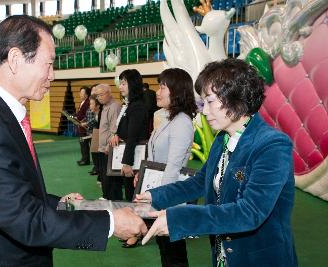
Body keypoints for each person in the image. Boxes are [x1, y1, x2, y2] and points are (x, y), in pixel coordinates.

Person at [0, 15, 147, 267]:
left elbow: (12, 193)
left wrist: (58, 203)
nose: (52, 75)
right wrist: (111, 223)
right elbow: (27, 221)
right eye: (48, 64)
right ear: (15, 59)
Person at [138, 58, 298, 267]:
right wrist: (154, 195)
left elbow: (250, 212)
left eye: (210, 101)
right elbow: (199, 182)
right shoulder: (222, 139)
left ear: (236, 97)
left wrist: (181, 219)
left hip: (259, 258)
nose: (204, 111)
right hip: (225, 254)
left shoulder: (272, 145)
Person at [130, 68, 196, 260]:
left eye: (162, 87)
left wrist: (160, 202)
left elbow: (173, 167)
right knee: (166, 249)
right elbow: (156, 159)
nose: (157, 92)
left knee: (173, 252)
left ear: (176, 91)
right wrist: (142, 177)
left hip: (169, 196)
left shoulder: (182, 122)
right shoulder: (169, 118)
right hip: (160, 191)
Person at [109, 69, 148, 205]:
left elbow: (132, 137)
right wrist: (117, 136)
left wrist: (127, 163)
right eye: (120, 83)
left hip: (135, 161)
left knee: (134, 199)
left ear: (133, 84)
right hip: (131, 157)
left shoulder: (137, 107)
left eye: (124, 83)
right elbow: (126, 131)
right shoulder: (130, 105)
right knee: (130, 197)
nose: (120, 87)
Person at [96, 83, 123, 201]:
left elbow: (115, 130)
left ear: (109, 93)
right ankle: (106, 196)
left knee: (112, 178)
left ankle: (113, 200)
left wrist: (108, 146)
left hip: (110, 149)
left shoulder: (114, 106)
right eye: (97, 96)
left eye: (101, 94)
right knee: (104, 176)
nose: (99, 98)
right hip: (102, 149)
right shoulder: (105, 106)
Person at [75, 86, 91, 166]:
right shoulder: (82, 102)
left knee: (84, 144)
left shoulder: (88, 102)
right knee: (82, 144)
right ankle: (83, 158)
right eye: (80, 92)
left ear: (87, 95)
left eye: (82, 93)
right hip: (80, 126)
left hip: (85, 127)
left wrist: (82, 121)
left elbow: (87, 115)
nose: (80, 94)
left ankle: (85, 160)